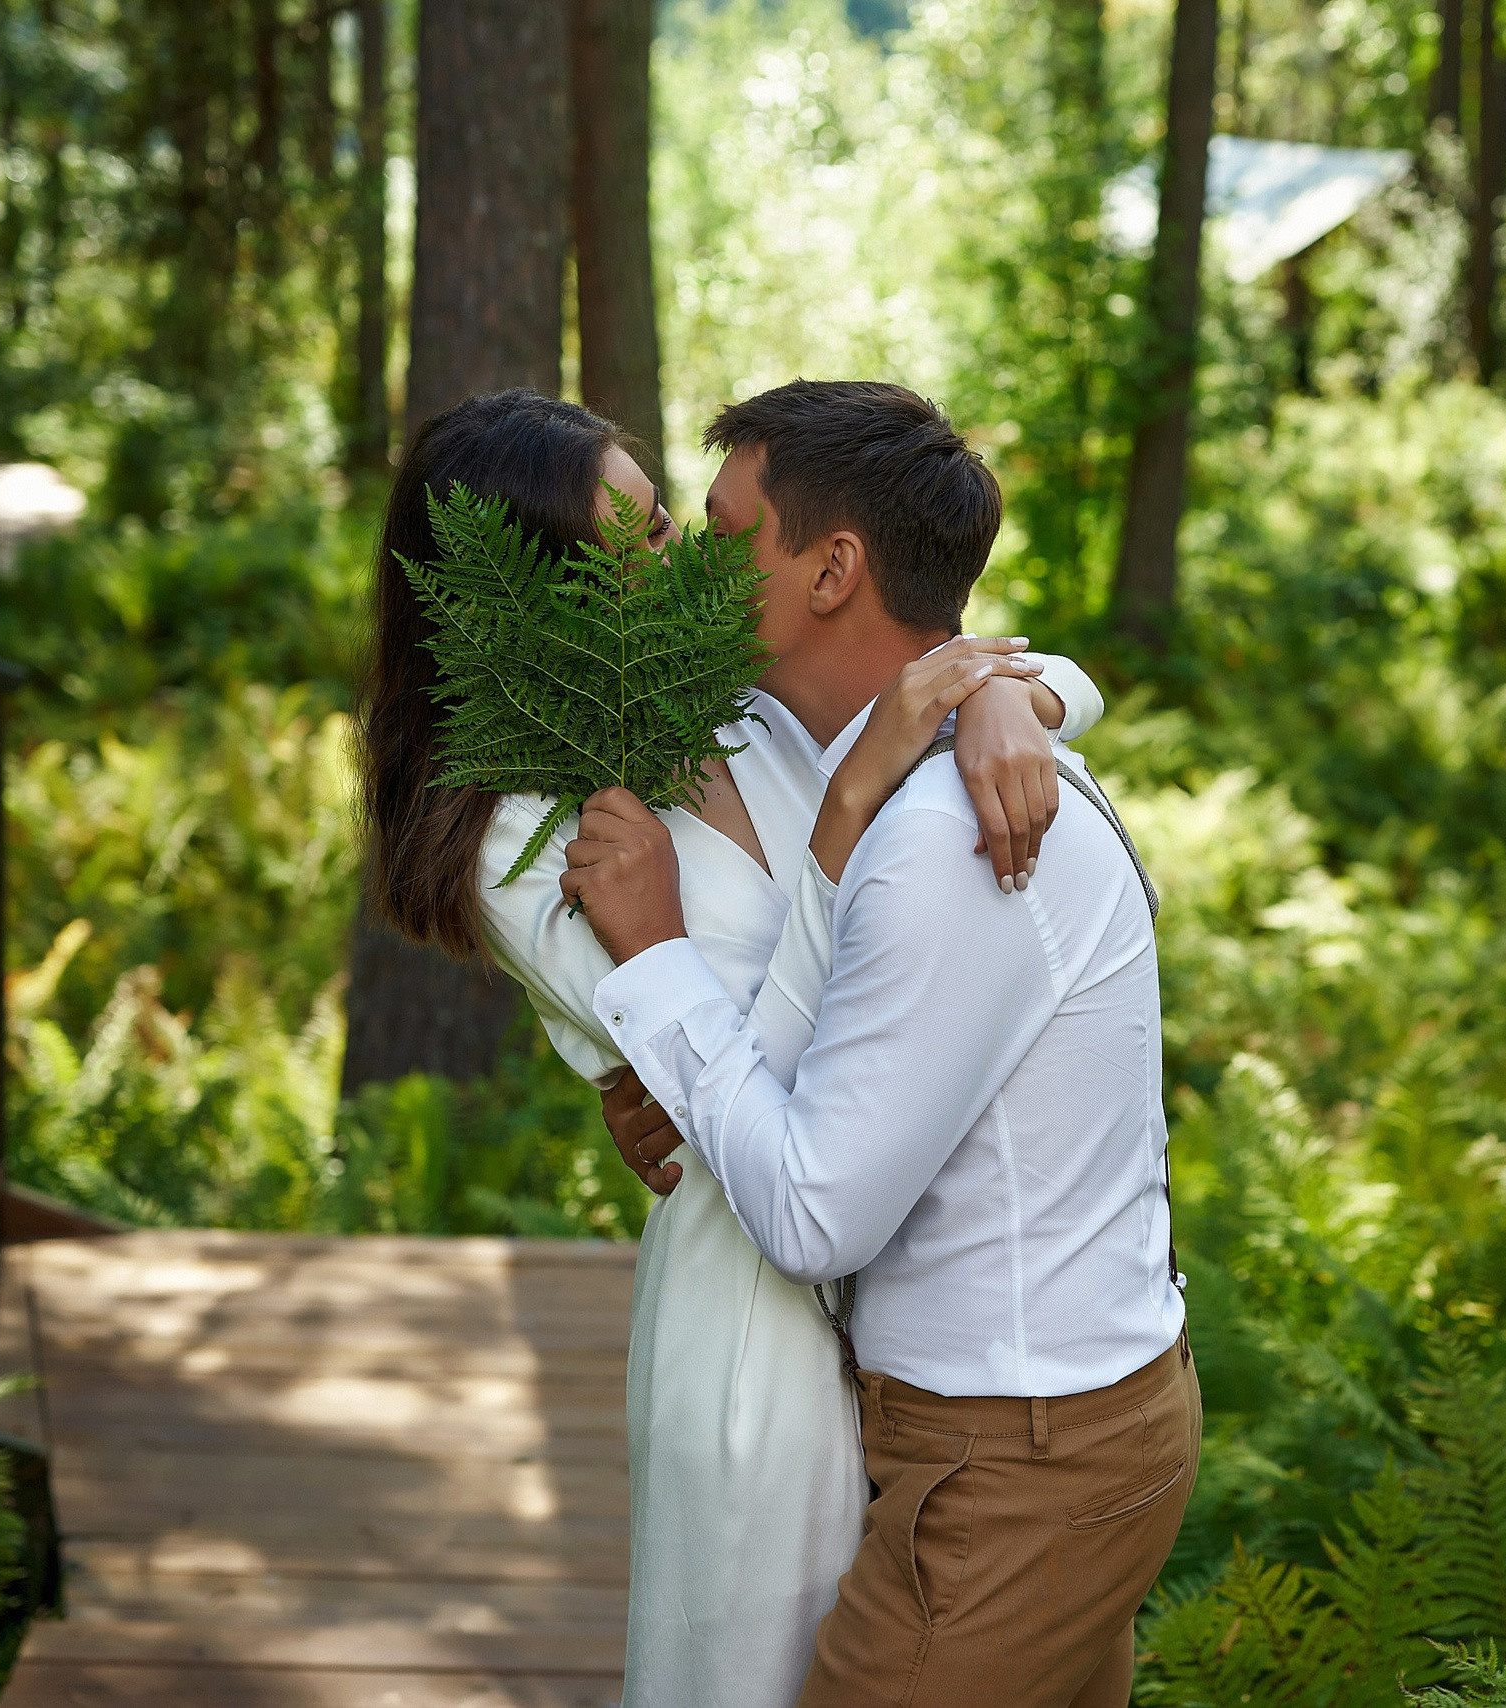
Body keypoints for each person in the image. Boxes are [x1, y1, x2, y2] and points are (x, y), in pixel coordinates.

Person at [355, 386, 1111, 1708]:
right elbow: (766, 1072)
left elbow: (937, 669)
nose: (687, 562)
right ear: (529, 599)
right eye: (636, 544)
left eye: (670, 522)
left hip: (908, 1315)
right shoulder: (518, 847)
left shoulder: (729, 705)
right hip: (753, 1328)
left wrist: (1009, 701)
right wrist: (854, 809)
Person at [562, 379, 1196, 1708]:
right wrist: (1012, 692)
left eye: (725, 533)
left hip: (1017, 1470)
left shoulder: (948, 836)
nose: (687, 568)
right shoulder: (934, 767)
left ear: (832, 570)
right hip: (1036, 1433)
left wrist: (660, 962)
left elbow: (810, 1213)